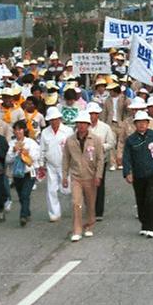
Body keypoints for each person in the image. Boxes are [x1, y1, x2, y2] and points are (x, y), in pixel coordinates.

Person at [123, 110, 153, 238]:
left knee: (150, 199)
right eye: (139, 123)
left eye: (144, 122)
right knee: (140, 200)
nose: (142, 125)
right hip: (138, 173)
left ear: (148, 123)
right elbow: (127, 157)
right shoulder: (131, 140)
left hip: (152, 171)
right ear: (135, 124)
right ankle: (144, 224)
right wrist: (127, 173)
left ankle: (151, 227)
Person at [62, 111, 105, 242]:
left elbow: (100, 159)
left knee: (90, 203)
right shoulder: (70, 140)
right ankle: (77, 229)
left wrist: (98, 175)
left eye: (84, 123)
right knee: (76, 202)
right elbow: (66, 159)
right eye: (79, 123)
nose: (81, 126)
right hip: (76, 176)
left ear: (88, 125)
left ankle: (90, 225)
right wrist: (64, 176)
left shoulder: (96, 140)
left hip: (90, 176)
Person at [39, 106, 73, 222]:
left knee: (68, 189)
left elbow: (72, 148)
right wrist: (41, 164)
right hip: (51, 165)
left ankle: (74, 207)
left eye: (56, 119)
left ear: (59, 118)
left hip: (66, 164)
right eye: (51, 119)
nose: (54, 121)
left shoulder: (68, 131)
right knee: (51, 190)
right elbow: (42, 149)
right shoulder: (45, 133)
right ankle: (54, 213)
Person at [6, 120, 39, 226]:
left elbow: (35, 156)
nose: (18, 131)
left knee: (25, 193)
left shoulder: (31, 142)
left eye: (20, 129)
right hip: (17, 173)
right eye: (15, 129)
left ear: (24, 130)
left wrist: (26, 153)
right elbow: (7, 159)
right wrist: (14, 151)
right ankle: (27, 211)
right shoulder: (11, 144)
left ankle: (23, 216)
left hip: (29, 172)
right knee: (21, 195)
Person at [87, 102, 116, 221]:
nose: (92, 116)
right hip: (86, 161)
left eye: (94, 113)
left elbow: (111, 142)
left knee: (99, 184)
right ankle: (89, 208)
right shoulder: (83, 127)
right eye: (90, 113)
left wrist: (101, 147)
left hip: (100, 160)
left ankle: (98, 211)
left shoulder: (105, 127)